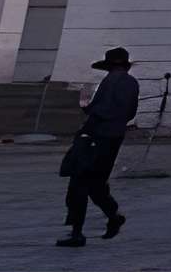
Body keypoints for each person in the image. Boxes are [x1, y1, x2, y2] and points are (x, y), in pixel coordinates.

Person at [56, 46, 138, 248]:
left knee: (79, 184)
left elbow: (101, 110)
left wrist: (88, 109)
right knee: (96, 184)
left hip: (96, 137)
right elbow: (129, 113)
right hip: (113, 136)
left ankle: (77, 232)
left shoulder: (111, 82)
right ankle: (113, 215)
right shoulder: (130, 83)